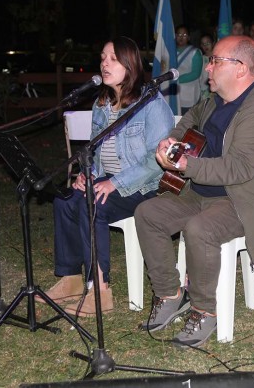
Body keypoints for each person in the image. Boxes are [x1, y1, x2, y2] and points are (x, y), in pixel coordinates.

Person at [134, 35, 254, 349]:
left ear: (240, 68)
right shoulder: (215, 100)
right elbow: (191, 118)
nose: (208, 67)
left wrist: (184, 165)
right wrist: (173, 140)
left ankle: (204, 310)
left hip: (243, 199)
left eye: (215, 60)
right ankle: (169, 294)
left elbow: (236, 170)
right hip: (202, 192)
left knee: (200, 229)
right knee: (148, 213)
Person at [40, 37, 174, 317]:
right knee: (65, 200)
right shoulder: (102, 103)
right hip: (107, 179)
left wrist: (114, 183)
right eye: (102, 57)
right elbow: (93, 150)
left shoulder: (152, 103)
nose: (104, 63)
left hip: (144, 186)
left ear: (130, 64)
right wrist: (84, 175)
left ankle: (100, 291)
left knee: (93, 204)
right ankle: (71, 280)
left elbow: (156, 161)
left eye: (112, 58)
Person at [175, 24, 203, 113]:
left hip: (189, 95)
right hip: (173, 94)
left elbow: (195, 74)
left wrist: (176, 80)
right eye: (179, 35)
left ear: (189, 37)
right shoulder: (169, 52)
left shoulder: (195, 52)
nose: (181, 37)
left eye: (184, 35)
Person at [199, 33, 215, 99]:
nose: (205, 46)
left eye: (208, 43)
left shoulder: (217, 58)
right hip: (204, 89)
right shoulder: (201, 58)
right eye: (203, 44)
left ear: (213, 43)